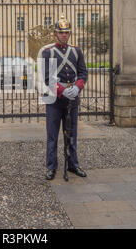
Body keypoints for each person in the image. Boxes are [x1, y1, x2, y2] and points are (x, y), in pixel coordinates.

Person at [41, 15, 88, 180]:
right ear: (55, 34)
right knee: (52, 136)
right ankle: (51, 167)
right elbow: (48, 78)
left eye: (67, 32)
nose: (64, 35)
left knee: (72, 134)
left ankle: (73, 164)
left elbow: (83, 73)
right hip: (54, 100)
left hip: (72, 100)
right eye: (61, 33)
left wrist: (77, 87)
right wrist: (62, 90)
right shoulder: (48, 53)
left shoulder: (76, 51)